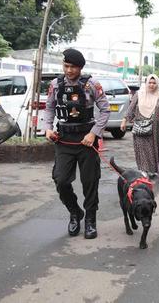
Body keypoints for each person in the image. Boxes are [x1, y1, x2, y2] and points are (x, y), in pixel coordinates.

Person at [43, 48, 110, 239]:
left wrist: (93, 133)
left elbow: (105, 111)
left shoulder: (92, 85)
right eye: (66, 66)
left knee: (90, 182)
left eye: (73, 67)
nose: (69, 70)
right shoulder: (55, 85)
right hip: (64, 140)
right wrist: (48, 128)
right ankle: (75, 212)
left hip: (87, 140)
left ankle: (90, 220)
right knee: (61, 180)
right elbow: (49, 108)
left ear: (80, 67)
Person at [120, 74, 159, 177]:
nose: (151, 85)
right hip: (140, 126)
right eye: (150, 83)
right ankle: (144, 169)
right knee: (142, 148)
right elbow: (131, 108)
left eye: (154, 83)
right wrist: (124, 120)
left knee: (153, 149)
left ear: (157, 84)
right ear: (146, 83)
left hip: (155, 128)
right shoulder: (139, 94)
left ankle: (153, 169)